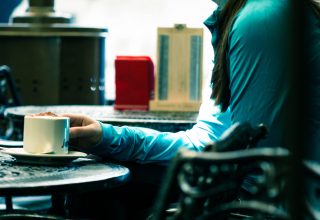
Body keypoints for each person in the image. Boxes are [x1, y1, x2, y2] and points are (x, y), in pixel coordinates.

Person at [62, 0, 320, 219]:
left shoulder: (262, 20)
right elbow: (205, 141)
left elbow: (255, 171)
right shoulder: (243, 16)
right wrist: (106, 137)